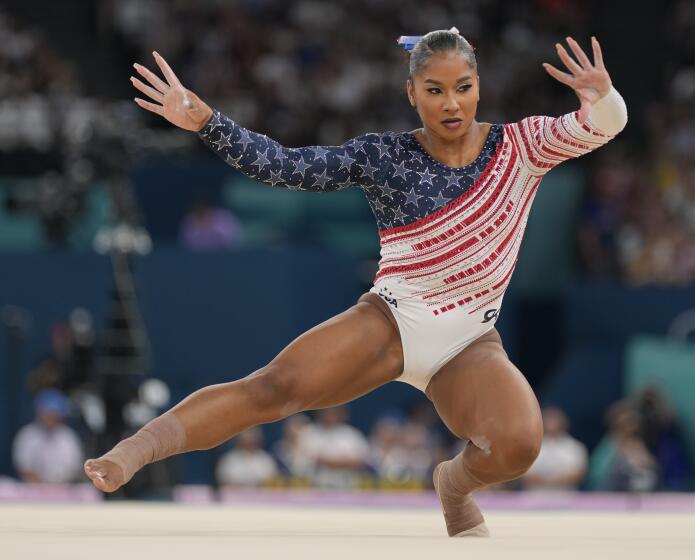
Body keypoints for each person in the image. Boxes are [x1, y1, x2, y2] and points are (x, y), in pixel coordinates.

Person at [85, 28, 627, 537]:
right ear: (411, 91)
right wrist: (207, 121)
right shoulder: (385, 155)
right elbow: (286, 165)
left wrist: (602, 97)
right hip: (389, 323)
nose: (451, 104)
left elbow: (606, 126)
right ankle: (135, 450)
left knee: (518, 447)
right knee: (271, 389)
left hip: (468, 345)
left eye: (463, 88)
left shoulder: (521, 147)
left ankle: (454, 486)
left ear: (479, 87)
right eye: (434, 90)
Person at [13, 389, 84, 484]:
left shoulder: (68, 437)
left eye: (54, 414)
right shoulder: (27, 434)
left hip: (63, 488)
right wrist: (41, 483)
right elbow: (24, 467)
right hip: (33, 488)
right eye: (47, 413)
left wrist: (57, 483)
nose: (50, 417)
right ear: (39, 412)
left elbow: (75, 467)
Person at [522, 407, 587, 490]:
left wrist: (553, 481)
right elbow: (523, 472)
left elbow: (579, 473)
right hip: (534, 496)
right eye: (549, 420)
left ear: (564, 423)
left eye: (555, 420)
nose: (552, 424)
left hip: (566, 497)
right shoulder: (530, 445)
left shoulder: (575, 447)